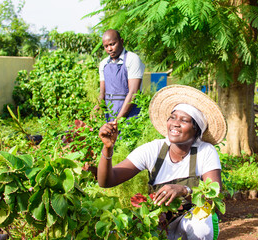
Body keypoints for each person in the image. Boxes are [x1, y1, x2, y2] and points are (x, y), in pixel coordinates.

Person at [97, 85, 227, 240]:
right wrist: (108, 149)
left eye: (184, 120)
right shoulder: (153, 150)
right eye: (172, 117)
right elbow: (107, 181)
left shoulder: (205, 151)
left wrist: (185, 190)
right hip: (161, 222)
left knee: (201, 226)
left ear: (196, 130)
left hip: (190, 221)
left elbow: (214, 196)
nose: (175, 123)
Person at [94, 29, 145, 121]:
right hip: (110, 114)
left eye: (112, 44)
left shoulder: (132, 59)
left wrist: (118, 120)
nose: (109, 49)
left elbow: (133, 92)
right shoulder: (104, 64)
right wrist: (98, 105)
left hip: (131, 114)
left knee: (128, 134)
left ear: (121, 41)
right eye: (106, 46)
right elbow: (102, 92)